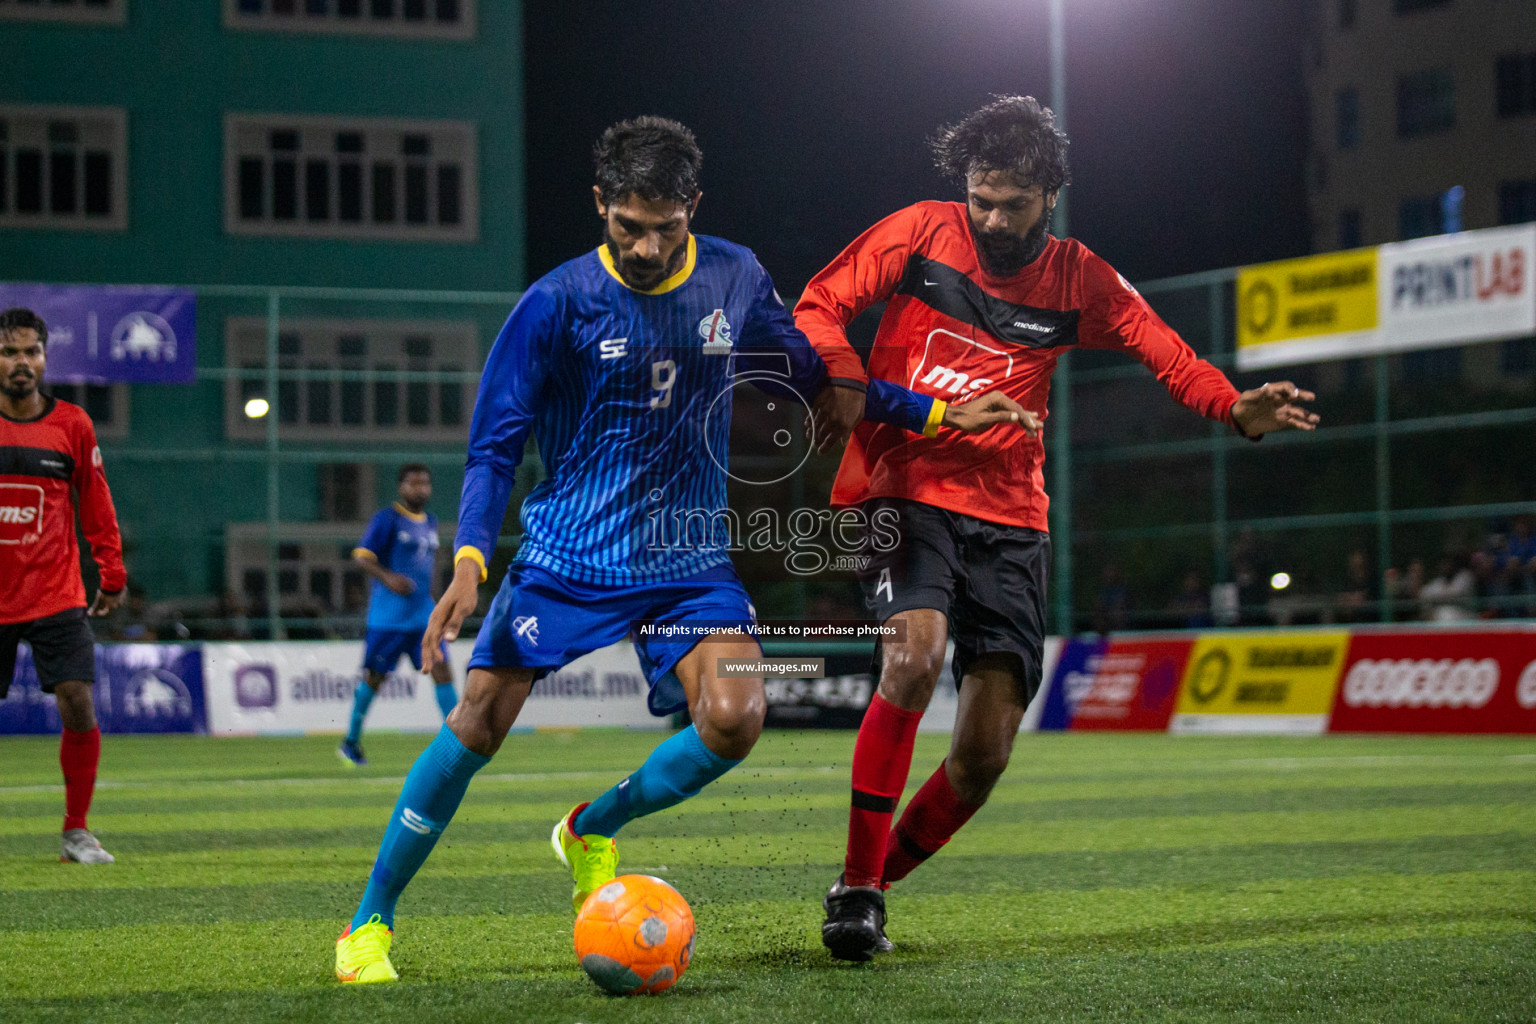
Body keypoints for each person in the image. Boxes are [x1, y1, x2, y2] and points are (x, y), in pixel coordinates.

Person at [332, 116, 1024, 984]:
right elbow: (494, 446)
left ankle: (591, 827)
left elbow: (810, 370)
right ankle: (368, 925)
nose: (648, 245)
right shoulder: (555, 303)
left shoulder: (734, 277)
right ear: (600, 206)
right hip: (568, 556)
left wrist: (928, 411)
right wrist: (471, 560)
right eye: (627, 225)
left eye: (665, 225)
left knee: (737, 719)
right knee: (476, 722)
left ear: (692, 206)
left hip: (687, 557)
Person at [794, 96, 1320, 960]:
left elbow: (1169, 355)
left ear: (1051, 196)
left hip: (1008, 518)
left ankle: (871, 883)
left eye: (1013, 203)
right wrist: (845, 374)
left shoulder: (1085, 283)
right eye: (981, 199)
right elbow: (819, 301)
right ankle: (856, 893)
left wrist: (1235, 407)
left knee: (984, 757)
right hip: (902, 488)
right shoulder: (919, 232)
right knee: (915, 655)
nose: (993, 219)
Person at [0, 307, 126, 865]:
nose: (20, 363)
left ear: (46, 358)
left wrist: (112, 574)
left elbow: (96, 505)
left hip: (56, 592)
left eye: (30, 352)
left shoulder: (73, 424)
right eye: (9, 352)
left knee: (77, 702)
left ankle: (76, 830)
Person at [338, 464, 456, 766]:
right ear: (401, 488)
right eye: (414, 483)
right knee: (375, 678)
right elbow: (362, 555)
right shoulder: (387, 519)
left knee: (443, 672)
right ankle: (350, 742)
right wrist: (388, 577)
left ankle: (458, 741)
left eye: (425, 483)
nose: (421, 489)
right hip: (388, 619)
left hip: (423, 618)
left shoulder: (430, 521)